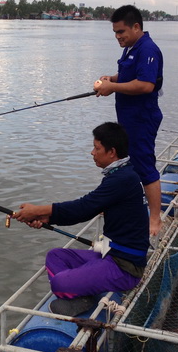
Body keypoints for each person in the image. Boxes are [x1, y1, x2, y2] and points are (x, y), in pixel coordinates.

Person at [13, 122, 149, 316]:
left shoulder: (122, 179)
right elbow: (86, 208)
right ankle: (81, 291)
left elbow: (83, 208)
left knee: (59, 283)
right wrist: (45, 218)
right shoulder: (122, 174)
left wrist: (38, 210)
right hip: (110, 256)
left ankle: (75, 290)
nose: (92, 152)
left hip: (125, 268)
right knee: (55, 255)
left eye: (97, 148)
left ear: (112, 152)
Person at [93, 4, 164, 237]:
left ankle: (155, 219)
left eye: (121, 32)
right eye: (115, 32)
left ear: (136, 27)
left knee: (144, 165)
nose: (118, 37)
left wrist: (112, 87)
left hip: (142, 118)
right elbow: (130, 75)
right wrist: (111, 78)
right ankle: (126, 203)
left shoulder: (148, 49)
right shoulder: (132, 48)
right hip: (127, 119)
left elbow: (146, 85)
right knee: (126, 163)